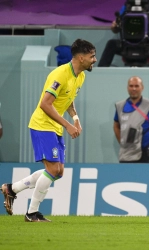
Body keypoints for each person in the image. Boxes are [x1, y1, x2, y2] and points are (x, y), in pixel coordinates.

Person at [0, 39, 97, 222]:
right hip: (42, 125)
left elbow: (68, 100)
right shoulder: (60, 74)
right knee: (52, 169)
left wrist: (75, 119)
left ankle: (12, 189)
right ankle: (31, 213)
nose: (95, 60)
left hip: (55, 127)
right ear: (81, 57)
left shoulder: (80, 76)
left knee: (59, 172)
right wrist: (67, 125)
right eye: (92, 56)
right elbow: (45, 104)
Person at [98, 1, 149, 68]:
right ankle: (99, 74)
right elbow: (115, 29)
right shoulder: (126, 6)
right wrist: (114, 26)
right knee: (111, 44)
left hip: (148, 44)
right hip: (128, 43)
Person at [113, 76, 149, 163]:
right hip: (125, 154)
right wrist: (122, 142)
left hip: (144, 155)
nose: (134, 89)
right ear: (127, 88)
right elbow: (116, 126)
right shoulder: (120, 106)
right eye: (131, 86)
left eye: (137, 86)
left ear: (142, 88)